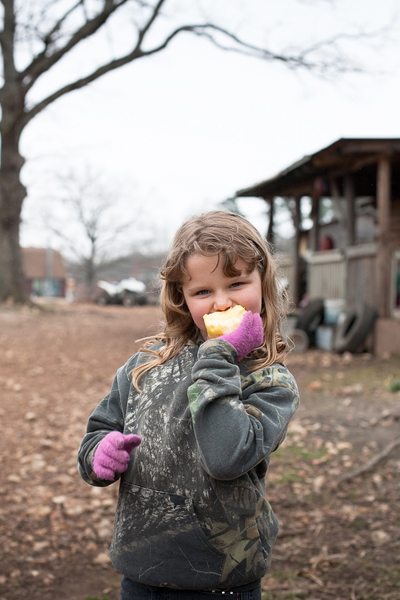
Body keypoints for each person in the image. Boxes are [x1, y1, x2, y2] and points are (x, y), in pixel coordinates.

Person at [77, 211, 300, 600]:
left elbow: (226, 456)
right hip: (142, 571)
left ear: (263, 284)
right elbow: (97, 433)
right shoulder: (146, 367)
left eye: (237, 283)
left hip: (222, 578)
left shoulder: (270, 381)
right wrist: (100, 454)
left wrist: (220, 356)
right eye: (202, 292)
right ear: (181, 297)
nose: (221, 302)